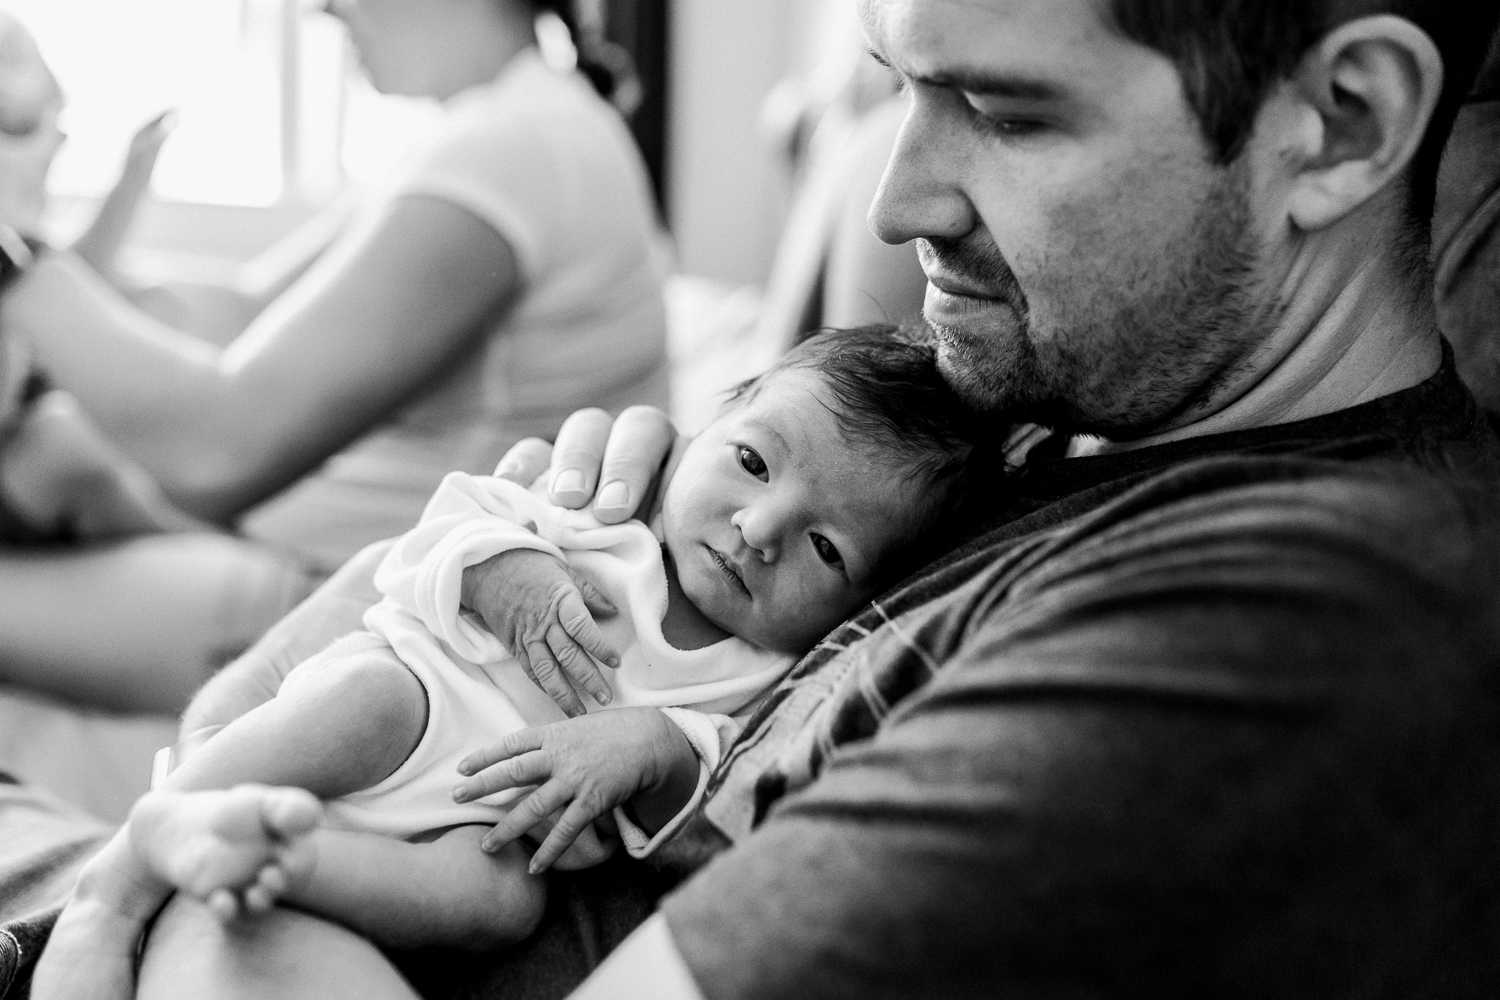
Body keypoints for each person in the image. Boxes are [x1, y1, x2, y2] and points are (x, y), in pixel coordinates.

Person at [6, 1, 1500, 998]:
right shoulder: (1058, 436)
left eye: (1009, 112)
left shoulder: (1283, 622)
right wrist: (457, 568)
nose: (893, 201)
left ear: (1347, 122)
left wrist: (203, 900)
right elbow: (228, 746)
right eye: (894, 89)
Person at [32, 327, 999, 997]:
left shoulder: (767, 679)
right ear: (707, 421)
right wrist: (511, 573)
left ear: (864, 603)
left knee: (501, 904)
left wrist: (653, 747)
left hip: (491, 823)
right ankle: (110, 898)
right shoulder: (604, 518)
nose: (758, 530)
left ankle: (283, 857)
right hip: (415, 707)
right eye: (752, 461)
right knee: (359, 694)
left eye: (826, 550)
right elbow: (443, 530)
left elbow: (711, 782)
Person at [0, 0, 670, 712]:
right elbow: (247, 309)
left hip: (380, 603)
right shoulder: (507, 127)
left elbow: (217, 454)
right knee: (53, 448)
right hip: (357, 554)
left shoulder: (515, 150)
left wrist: (15, 257)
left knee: (53, 461)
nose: (320, 9)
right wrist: (74, 257)